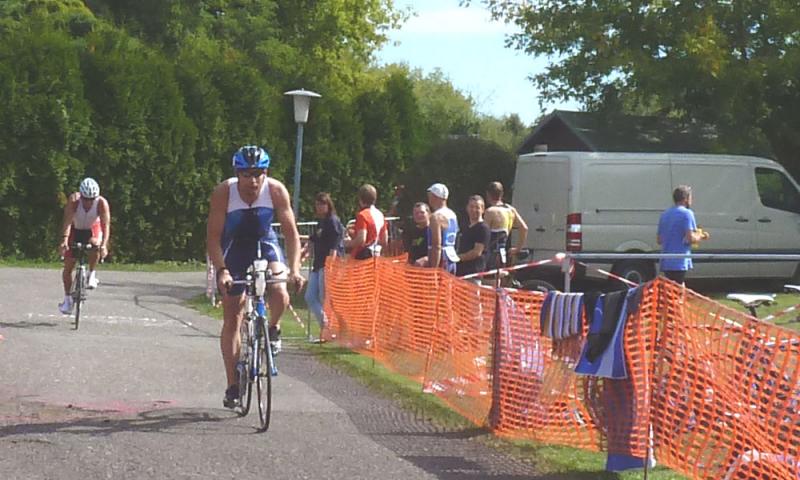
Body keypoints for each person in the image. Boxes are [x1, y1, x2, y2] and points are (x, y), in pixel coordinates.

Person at [207, 145, 305, 409]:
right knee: (233, 315)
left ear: (266, 173)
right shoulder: (224, 192)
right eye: (246, 174)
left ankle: (273, 328)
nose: (253, 181)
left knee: (280, 290)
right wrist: (222, 271)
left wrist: (295, 269)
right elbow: (213, 238)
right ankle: (233, 385)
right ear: (237, 174)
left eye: (258, 174)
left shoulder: (275, 190)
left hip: (265, 242)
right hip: (235, 247)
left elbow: (292, 235)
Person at [58, 177, 111, 315]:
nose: (88, 202)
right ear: (81, 196)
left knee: (96, 244)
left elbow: (105, 226)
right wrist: (64, 241)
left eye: (91, 199)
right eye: (85, 199)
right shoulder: (74, 201)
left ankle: (91, 274)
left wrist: (104, 245)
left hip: (91, 229)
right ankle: (67, 299)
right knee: (68, 267)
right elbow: (67, 222)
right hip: (75, 229)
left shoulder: (101, 203)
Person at [302, 192, 344, 335]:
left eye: (322, 204)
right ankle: (325, 326)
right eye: (317, 204)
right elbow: (313, 238)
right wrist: (303, 247)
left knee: (324, 297)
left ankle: (336, 327)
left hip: (328, 264)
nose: (319, 207)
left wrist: (330, 265)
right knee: (310, 296)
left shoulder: (333, 221)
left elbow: (335, 244)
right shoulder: (321, 222)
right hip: (317, 264)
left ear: (328, 205)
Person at [657, 185, 710, 284]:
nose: (691, 200)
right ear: (685, 199)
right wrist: (701, 236)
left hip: (666, 261)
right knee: (678, 289)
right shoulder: (687, 213)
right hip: (679, 261)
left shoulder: (664, 214)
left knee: (672, 289)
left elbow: (659, 240)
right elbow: (690, 238)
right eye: (690, 197)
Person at [484, 181, 528, 271]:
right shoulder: (510, 210)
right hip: (503, 253)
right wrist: (518, 248)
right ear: (502, 194)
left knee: (488, 279)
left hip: (491, 256)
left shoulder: (490, 211)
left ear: (488, 195)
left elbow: (483, 235)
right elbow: (524, 228)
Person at [345, 184, 387, 260]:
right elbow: (384, 240)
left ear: (360, 199)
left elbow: (361, 240)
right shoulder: (380, 215)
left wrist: (346, 243)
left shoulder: (362, 215)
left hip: (363, 257)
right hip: (377, 256)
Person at [427, 183, 459, 274]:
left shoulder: (436, 217)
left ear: (434, 197)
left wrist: (434, 269)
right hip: (451, 257)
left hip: (441, 259)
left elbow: (436, 245)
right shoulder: (452, 214)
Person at [457, 195, 490, 279]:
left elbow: (477, 252)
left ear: (483, 209)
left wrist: (457, 258)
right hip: (460, 272)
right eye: (471, 207)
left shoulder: (483, 228)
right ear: (467, 208)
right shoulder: (464, 226)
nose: (474, 210)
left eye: (477, 207)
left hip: (474, 273)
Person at [404, 202, 431, 267]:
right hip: (414, 268)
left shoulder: (433, 230)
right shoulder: (412, 232)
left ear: (429, 214)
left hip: (430, 267)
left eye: (422, 212)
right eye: (416, 213)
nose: (419, 215)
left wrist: (427, 259)